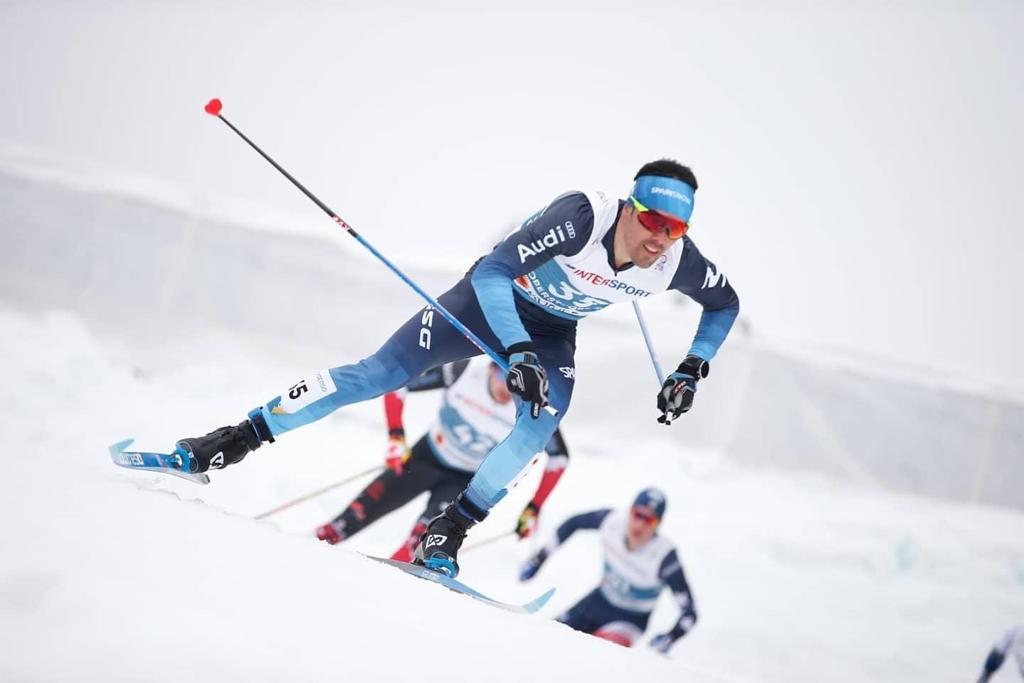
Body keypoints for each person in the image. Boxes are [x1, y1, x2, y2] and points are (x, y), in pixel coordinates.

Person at [173, 159, 740, 577]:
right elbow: (493, 273)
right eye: (653, 221)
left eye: (677, 228)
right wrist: (514, 352)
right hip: (487, 301)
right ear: (629, 208)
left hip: (551, 333)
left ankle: (449, 530)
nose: (661, 238)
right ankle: (232, 439)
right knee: (378, 375)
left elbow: (724, 305)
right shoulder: (581, 217)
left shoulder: (674, 262)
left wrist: (691, 368)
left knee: (539, 424)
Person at [314, 358, 570, 560]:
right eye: (502, 376)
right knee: (350, 519)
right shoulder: (463, 370)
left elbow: (559, 458)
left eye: (515, 386)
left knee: (421, 544)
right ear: (492, 367)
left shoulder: (534, 408)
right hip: (425, 458)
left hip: (463, 481)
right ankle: (304, 550)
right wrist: (396, 437)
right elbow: (399, 385)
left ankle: (386, 584)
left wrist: (534, 508)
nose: (506, 389)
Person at [519, 488, 696, 651]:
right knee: (548, 639)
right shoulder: (612, 521)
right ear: (630, 511)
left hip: (629, 620)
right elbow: (574, 523)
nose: (640, 525)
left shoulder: (664, 556)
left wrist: (671, 637)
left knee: (596, 653)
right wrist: (539, 558)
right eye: (638, 515)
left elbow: (689, 612)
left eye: (650, 520)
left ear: (658, 524)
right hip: (598, 601)